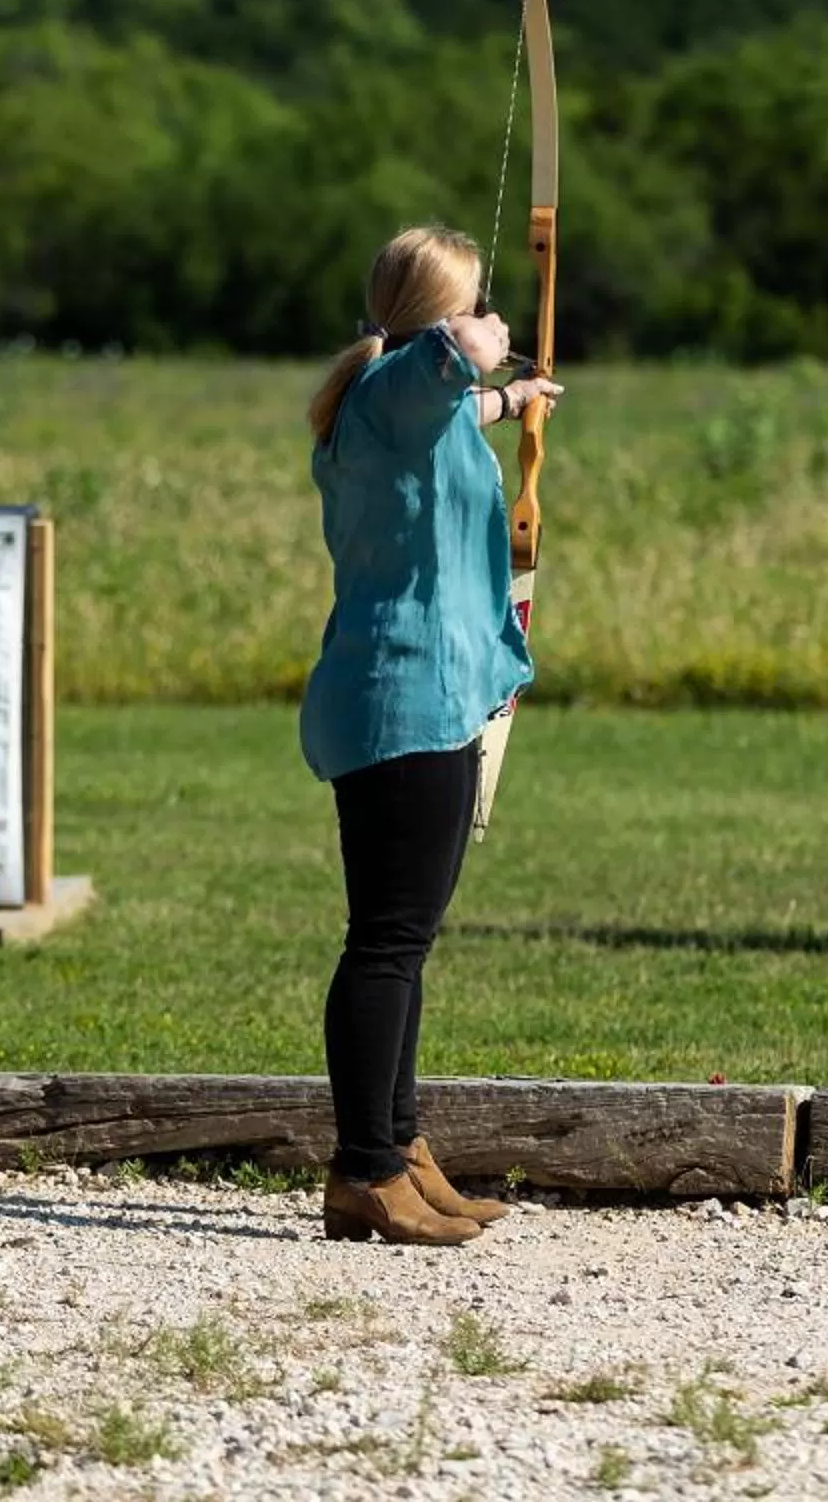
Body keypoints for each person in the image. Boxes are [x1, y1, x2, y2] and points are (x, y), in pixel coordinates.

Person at [299, 225, 564, 1247]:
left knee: (404, 942)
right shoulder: (391, 394)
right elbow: (445, 367)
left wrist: (515, 402)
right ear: (437, 317)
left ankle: (400, 1146)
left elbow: (460, 396)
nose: (488, 318)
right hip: (400, 699)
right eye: (476, 299)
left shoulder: (416, 403)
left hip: (430, 697)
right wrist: (481, 341)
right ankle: (364, 1167)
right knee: (385, 942)